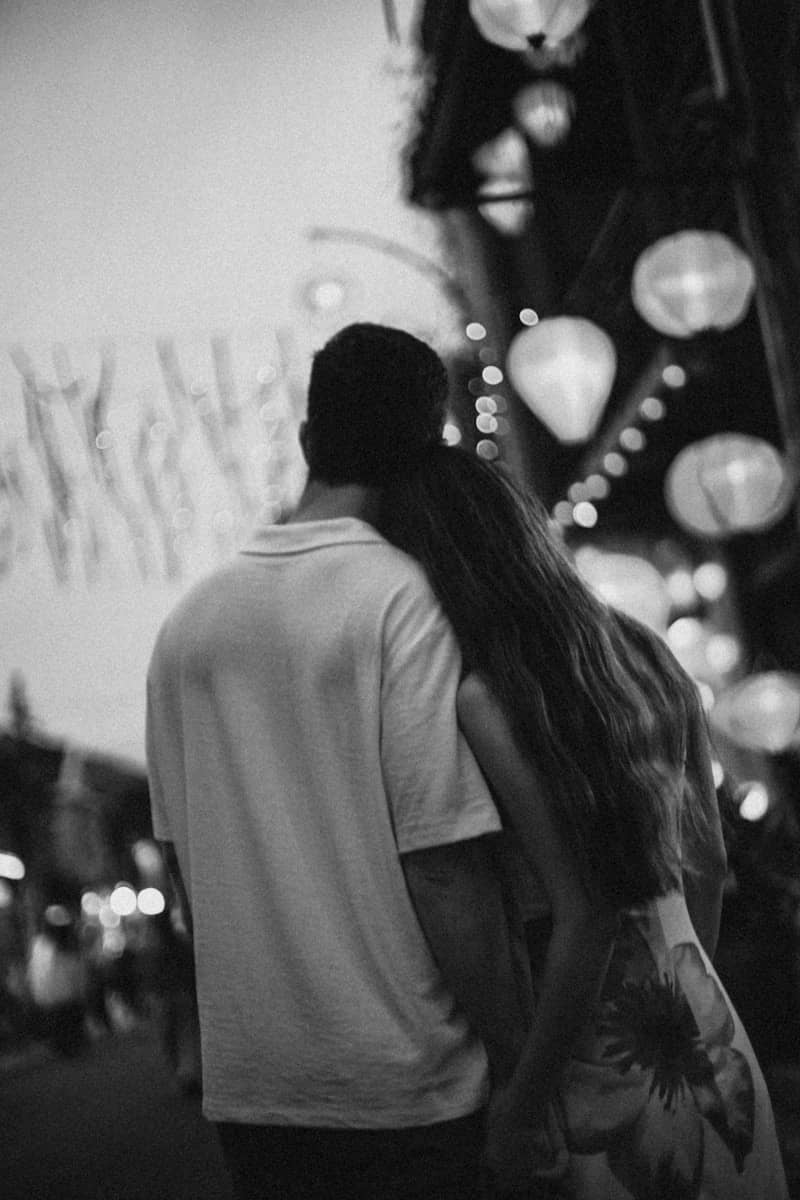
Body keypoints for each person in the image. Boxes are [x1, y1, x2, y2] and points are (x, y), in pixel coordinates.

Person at [145, 324, 527, 1200]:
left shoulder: (187, 626)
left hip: (254, 1095)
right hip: (408, 1089)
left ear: (311, 440)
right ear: (428, 451)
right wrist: (518, 1053)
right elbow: (442, 867)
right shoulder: (400, 597)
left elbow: (185, 869)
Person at [379, 442, 789, 1199]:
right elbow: (705, 862)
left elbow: (588, 914)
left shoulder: (488, 697)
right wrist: (690, 982)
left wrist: (521, 1103)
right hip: (704, 1031)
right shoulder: (643, 651)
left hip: (600, 1059)